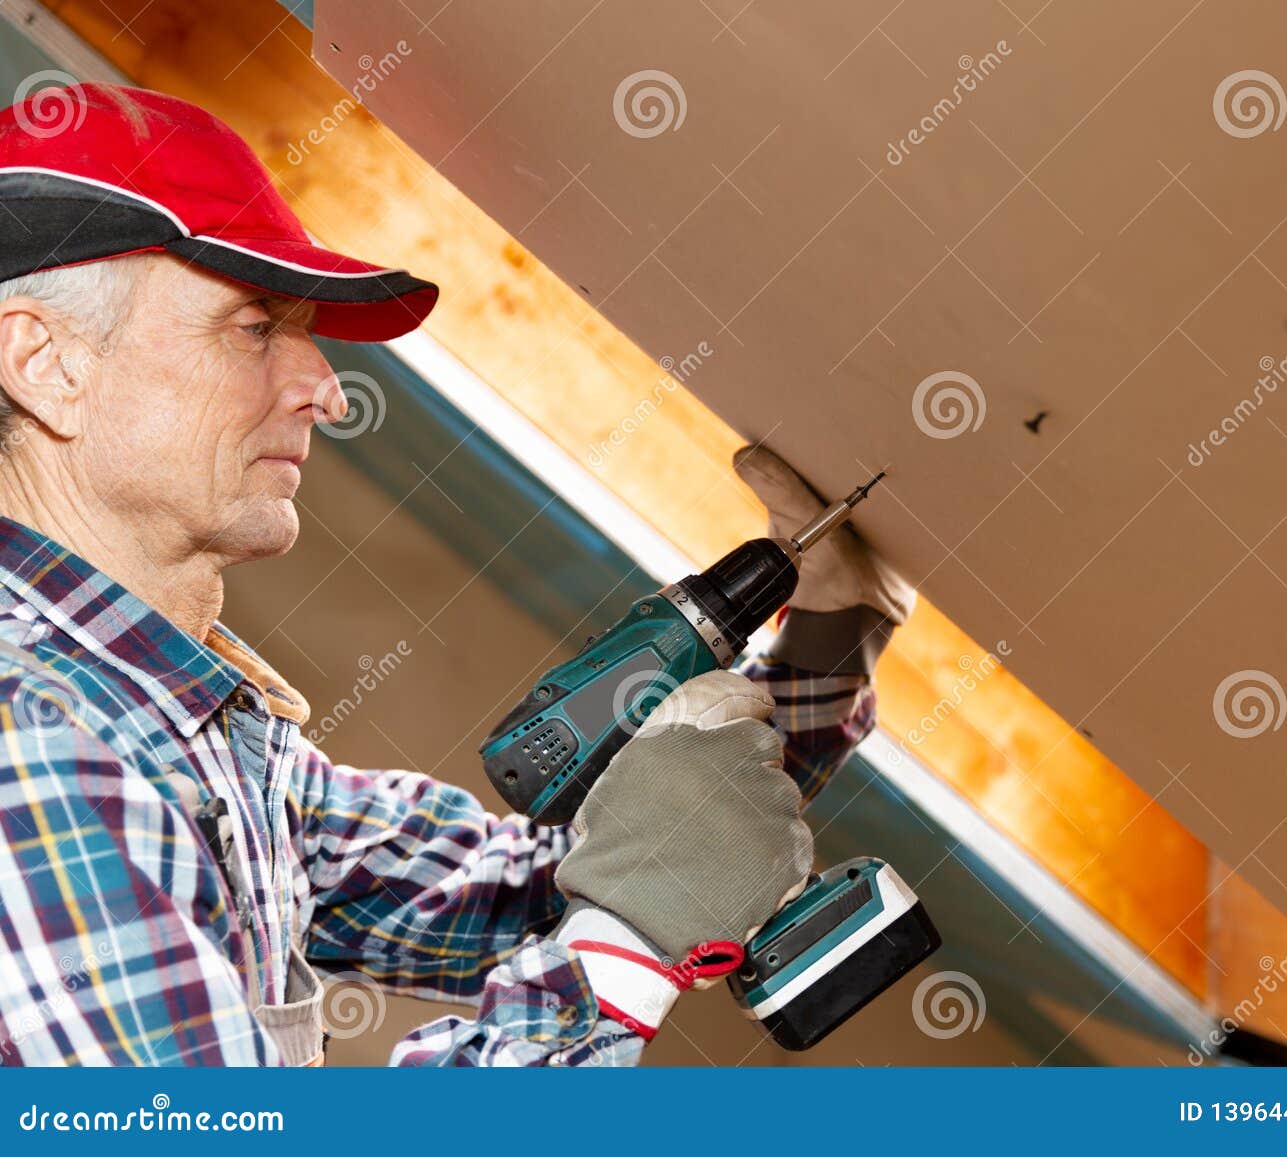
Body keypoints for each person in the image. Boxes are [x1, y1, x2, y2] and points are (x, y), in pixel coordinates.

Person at [0, 83, 913, 1066]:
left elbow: (506, 892)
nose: (326, 389)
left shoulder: (185, 721)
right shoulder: (32, 748)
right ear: (46, 363)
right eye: (253, 326)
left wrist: (824, 636)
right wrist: (627, 943)